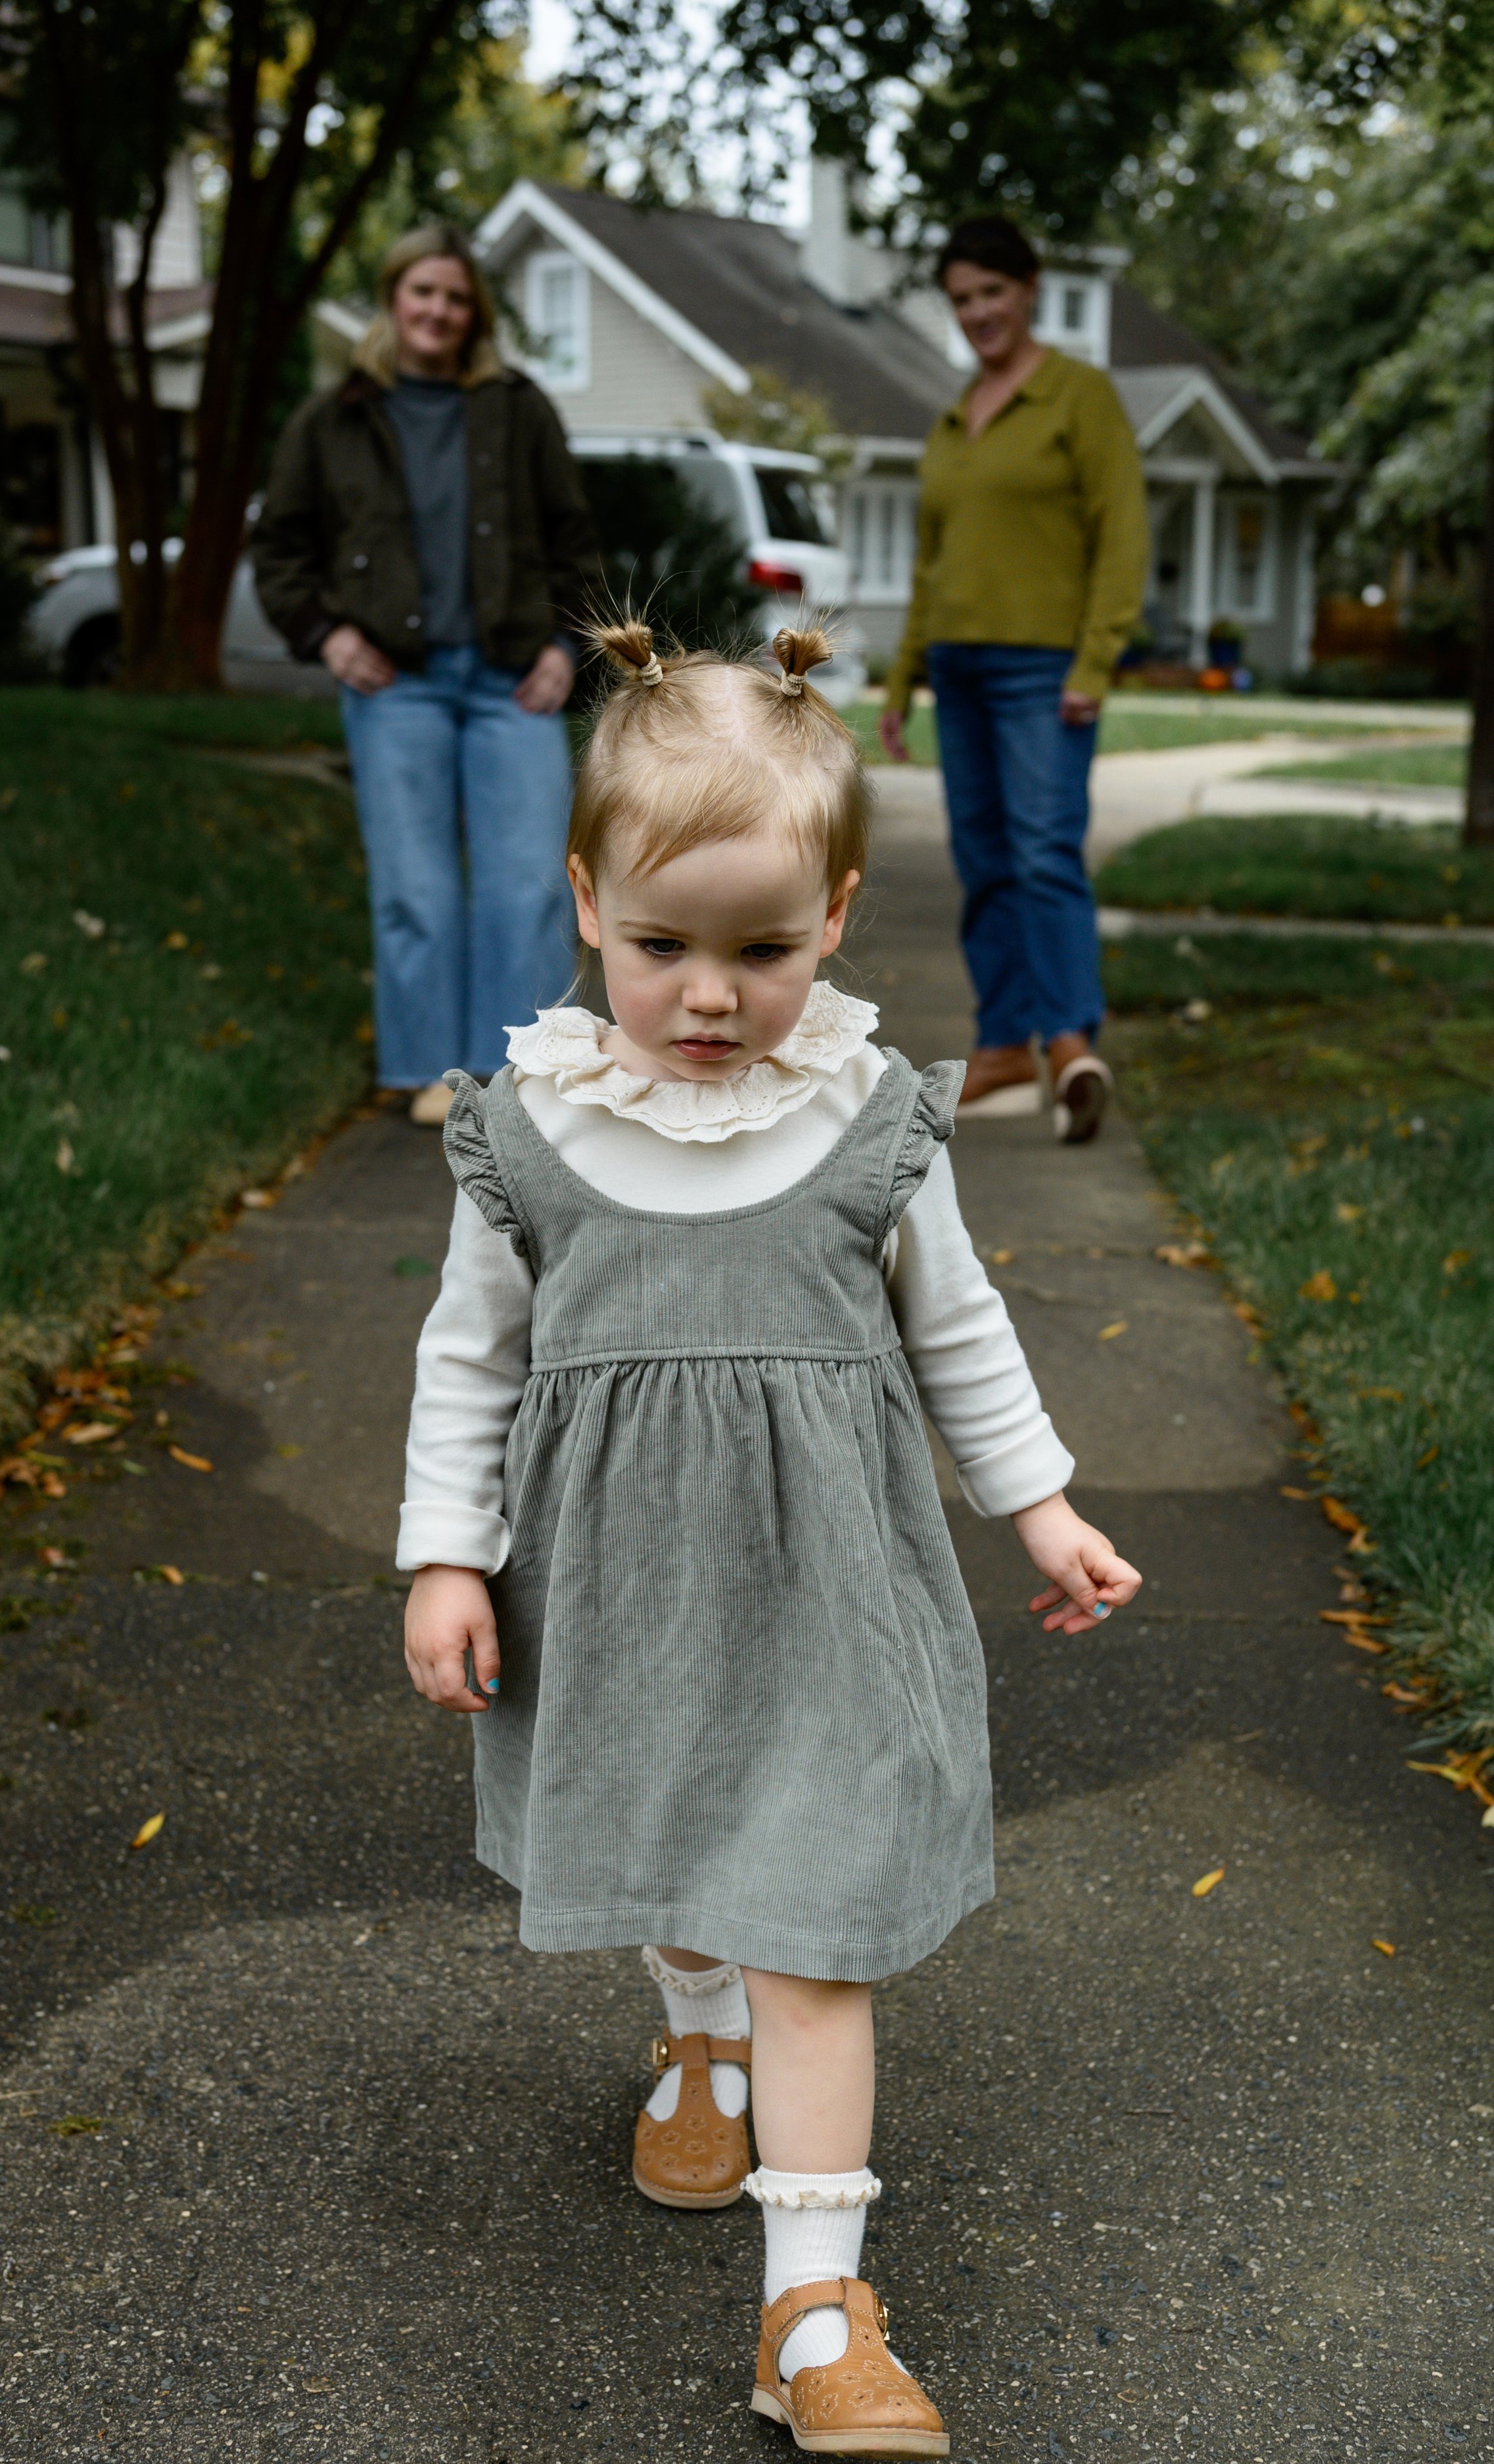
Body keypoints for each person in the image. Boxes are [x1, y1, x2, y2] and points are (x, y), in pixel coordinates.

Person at [398, 621, 1142, 2453]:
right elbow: (465, 1353)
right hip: (613, 1584)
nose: (711, 995)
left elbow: (957, 1324)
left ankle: (809, 2304)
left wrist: (1037, 1503)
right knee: (672, 1828)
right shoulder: (534, 1132)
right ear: (585, 900)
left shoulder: (870, 1119)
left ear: (832, 911)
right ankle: (693, 2031)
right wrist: (439, 1548)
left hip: (833, 1586)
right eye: (662, 945)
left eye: (764, 947)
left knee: (817, 1918)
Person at [252, 226, 601, 1127]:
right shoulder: (333, 421)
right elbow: (281, 549)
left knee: (529, 883)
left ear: (473, 313)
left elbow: (574, 544)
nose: (439, 311)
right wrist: (326, 636)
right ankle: (428, 1074)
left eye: (456, 297)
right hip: (391, 684)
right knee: (416, 888)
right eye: (423, 293)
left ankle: (519, 1075)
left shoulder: (519, 409)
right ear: (393, 300)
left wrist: (567, 647)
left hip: (511, 679)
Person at [879, 217, 1148, 1145]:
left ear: (1030, 288)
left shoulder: (1081, 396)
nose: (979, 312)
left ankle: (1071, 1042)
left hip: (1044, 669)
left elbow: (1122, 537)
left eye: (993, 292)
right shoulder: (956, 418)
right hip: (956, 665)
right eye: (962, 299)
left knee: (1043, 850)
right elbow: (932, 563)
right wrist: (902, 676)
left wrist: (1096, 659)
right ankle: (1001, 1049)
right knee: (984, 860)